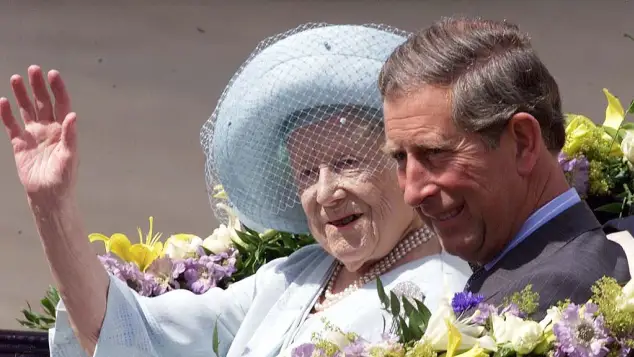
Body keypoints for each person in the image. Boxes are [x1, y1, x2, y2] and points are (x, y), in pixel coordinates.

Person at [0, 24, 472, 357]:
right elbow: (136, 333)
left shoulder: (451, 293)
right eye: (307, 173)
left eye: (348, 163)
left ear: (403, 166)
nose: (325, 192)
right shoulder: (293, 278)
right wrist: (52, 206)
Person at [376, 16, 631, 319]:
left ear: (522, 143)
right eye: (400, 158)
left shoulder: (546, 300)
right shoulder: (546, 269)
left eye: (435, 153)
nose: (413, 193)